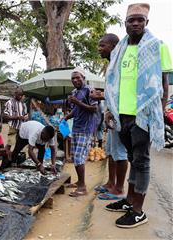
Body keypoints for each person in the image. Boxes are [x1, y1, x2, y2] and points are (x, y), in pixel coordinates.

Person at [104, 3, 171, 228]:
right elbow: (113, 84)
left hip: (143, 114)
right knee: (133, 159)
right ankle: (129, 200)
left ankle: (138, 211)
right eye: (131, 20)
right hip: (122, 114)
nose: (135, 23)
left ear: (147, 23)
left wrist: (159, 113)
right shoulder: (120, 50)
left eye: (140, 20)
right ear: (125, 23)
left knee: (141, 162)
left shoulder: (157, 46)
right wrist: (109, 110)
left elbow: (163, 84)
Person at [90, 34, 129, 200]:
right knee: (111, 152)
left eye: (102, 45)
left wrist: (102, 96)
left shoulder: (120, 64)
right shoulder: (111, 65)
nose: (99, 49)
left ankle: (119, 189)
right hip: (111, 116)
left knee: (120, 153)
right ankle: (110, 183)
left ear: (113, 46)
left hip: (118, 115)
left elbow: (121, 92)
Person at [64, 68, 98, 197]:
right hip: (76, 128)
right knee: (74, 157)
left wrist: (77, 102)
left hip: (86, 128)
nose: (75, 80)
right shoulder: (74, 92)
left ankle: (82, 187)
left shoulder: (89, 90)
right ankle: (79, 181)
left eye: (78, 77)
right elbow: (76, 109)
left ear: (83, 77)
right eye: (73, 78)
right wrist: (68, 116)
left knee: (79, 157)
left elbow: (94, 109)